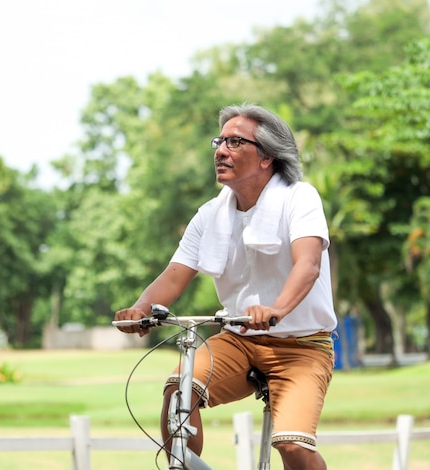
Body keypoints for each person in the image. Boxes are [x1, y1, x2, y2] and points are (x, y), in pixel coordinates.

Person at [114, 103, 337, 469]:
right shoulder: (209, 215)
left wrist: (276, 309)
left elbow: (308, 264)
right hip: (238, 340)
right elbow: (173, 276)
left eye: (235, 142)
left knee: (293, 445)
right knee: (178, 392)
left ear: (266, 157)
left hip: (302, 346)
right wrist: (140, 309)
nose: (220, 150)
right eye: (220, 141)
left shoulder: (300, 198)